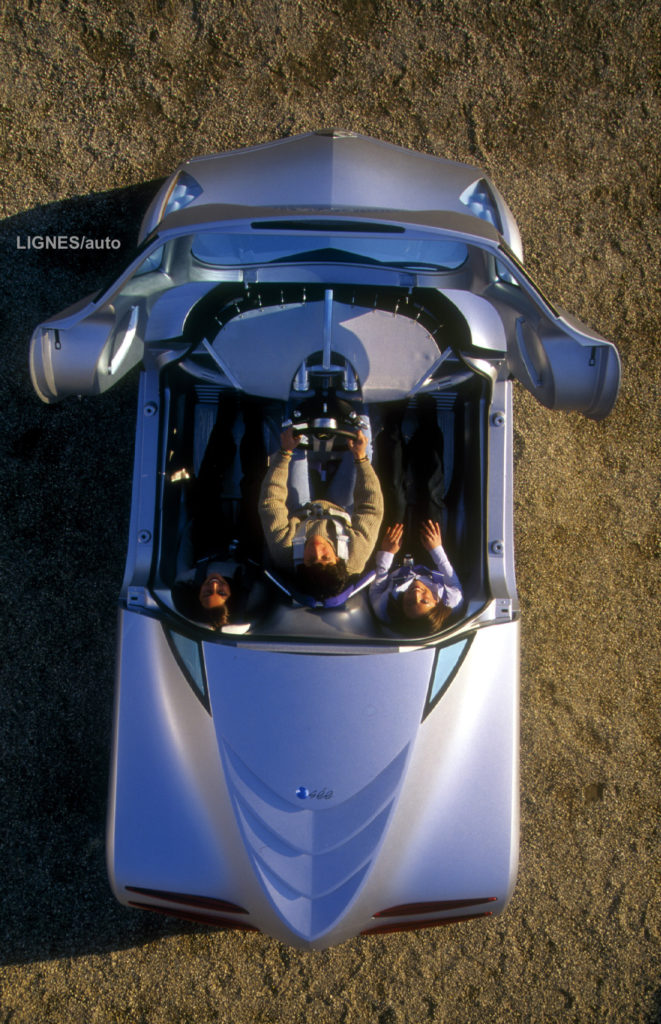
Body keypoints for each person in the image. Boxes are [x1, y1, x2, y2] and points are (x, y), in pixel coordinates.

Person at [172, 393, 267, 628]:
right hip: (247, 549)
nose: (214, 585)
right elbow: (268, 558)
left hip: (209, 544)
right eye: (221, 592)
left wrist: (196, 520)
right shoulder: (249, 587)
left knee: (206, 485)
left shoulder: (189, 578)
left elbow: (185, 548)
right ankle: (253, 418)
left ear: (198, 594)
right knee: (255, 487)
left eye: (207, 592)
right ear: (232, 596)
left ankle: (224, 420)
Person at [259, 424, 384, 599]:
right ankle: (362, 419)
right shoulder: (356, 556)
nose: (317, 549)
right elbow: (371, 508)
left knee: (293, 436)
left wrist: (285, 453)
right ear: (338, 559)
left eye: (311, 559)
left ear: (301, 564)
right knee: (362, 439)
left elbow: (271, 501)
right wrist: (361, 459)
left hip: (301, 509)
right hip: (341, 509)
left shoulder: (283, 550)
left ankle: (288, 418)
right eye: (325, 558)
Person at [369, 519, 462, 636]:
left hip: (396, 562)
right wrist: (436, 549)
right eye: (424, 601)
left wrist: (387, 553)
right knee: (431, 525)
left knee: (395, 523)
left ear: (401, 607)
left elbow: (376, 590)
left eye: (409, 603)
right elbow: (453, 583)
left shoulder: (384, 608)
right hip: (431, 563)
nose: (416, 594)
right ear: (436, 603)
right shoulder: (452, 602)